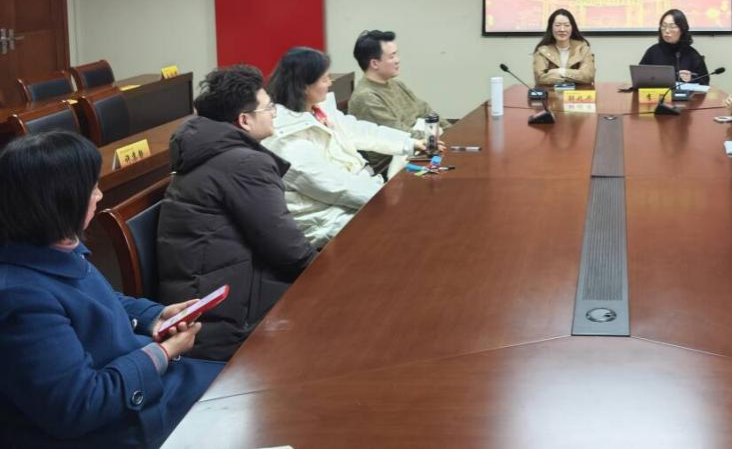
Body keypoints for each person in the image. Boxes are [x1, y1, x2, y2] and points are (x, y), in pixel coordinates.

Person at [0, 132, 222, 449]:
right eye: (92, 188)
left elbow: (100, 300)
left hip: (146, 390)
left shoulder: (55, 249)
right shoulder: (18, 298)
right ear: (63, 201)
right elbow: (79, 405)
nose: (100, 195)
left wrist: (156, 316)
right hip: (124, 424)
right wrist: (162, 353)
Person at [157, 65, 318, 361]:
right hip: (224, 321)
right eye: (268, 108)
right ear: (244, 120)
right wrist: (326, 270)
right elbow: (289, 251)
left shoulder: (209, 150)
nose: (274, 113)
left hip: (214, 297)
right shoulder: (244, 164)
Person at [263, 47, 421, 249]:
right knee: (412, 231)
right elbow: (333, 185)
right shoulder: (285, 138)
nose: (330, 83)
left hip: (351, 201)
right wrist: (388, 198)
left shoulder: (316, 110)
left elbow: (359, 131)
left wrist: (408, 143)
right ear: (303, 86)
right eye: (325, 79)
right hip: (326, 220)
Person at [348, 29, 450, 177]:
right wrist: (437, 137)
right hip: (392, 162)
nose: (397, 60)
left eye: (396, 54)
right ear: (375, 63)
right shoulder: (366, 97)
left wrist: (449, 131)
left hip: (422, 145)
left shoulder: (396, 83)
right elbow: (399, 134)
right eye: (392, 56)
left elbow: (425, 110)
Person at [638, 8, 709, 84]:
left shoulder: (692, 54)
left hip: (683, 92)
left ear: (682, 30)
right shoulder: (653, 51)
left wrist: (692, 79)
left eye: (672, 27)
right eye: (664, 26)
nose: (667, 31)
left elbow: (705, 81)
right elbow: (639, 77)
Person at [532, 8, 596, 86]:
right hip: (551, 93)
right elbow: (540, 78)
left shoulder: (583, 48)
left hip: (578, 93)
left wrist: (561, 71)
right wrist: (574, 77)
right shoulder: (543, 51)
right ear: (551, 28)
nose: (562, 29)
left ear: (572, 28)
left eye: (566, 25)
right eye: (557, 25)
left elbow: (588, 76)